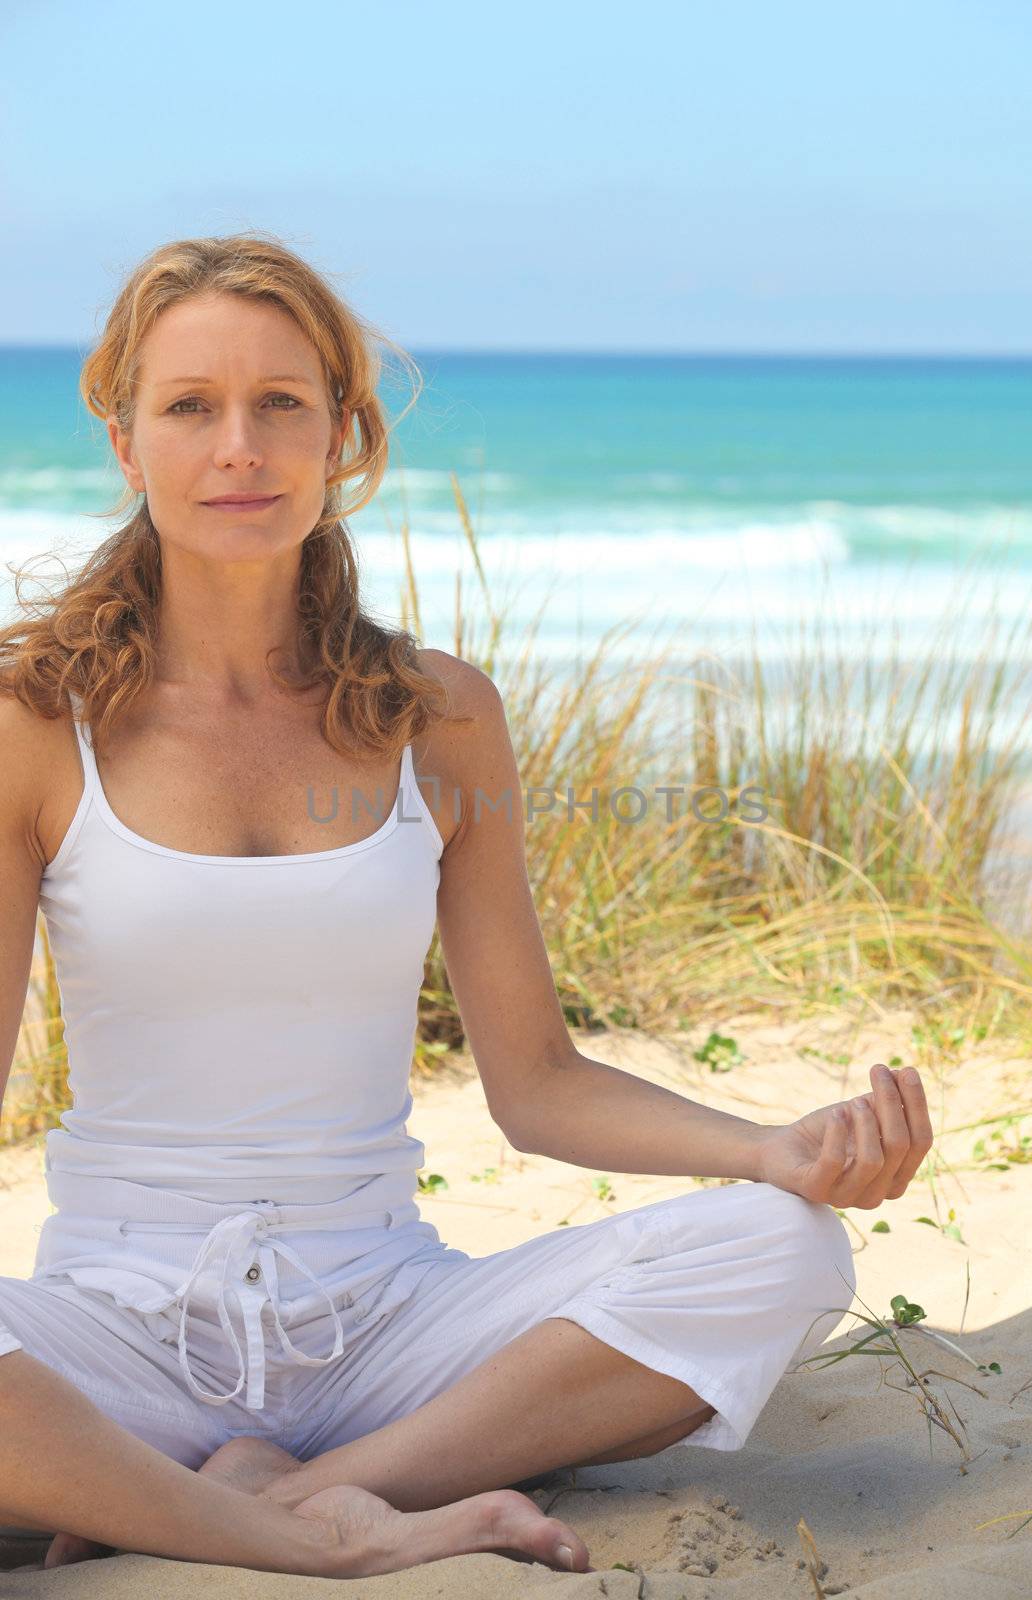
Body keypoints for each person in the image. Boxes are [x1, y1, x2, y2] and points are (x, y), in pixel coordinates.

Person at [0, 233, 933, 1579]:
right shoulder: (39, 724)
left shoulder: (439, 717)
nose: (239, 447)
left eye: (282, 405)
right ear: (127, 444)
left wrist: (773, 1149)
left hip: (384, 1327)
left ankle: (293, 1494)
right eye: (190, 406)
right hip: (118, 1331)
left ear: (343, 435)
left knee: (780, 1249)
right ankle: (319, 1542)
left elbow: (537, 1083)